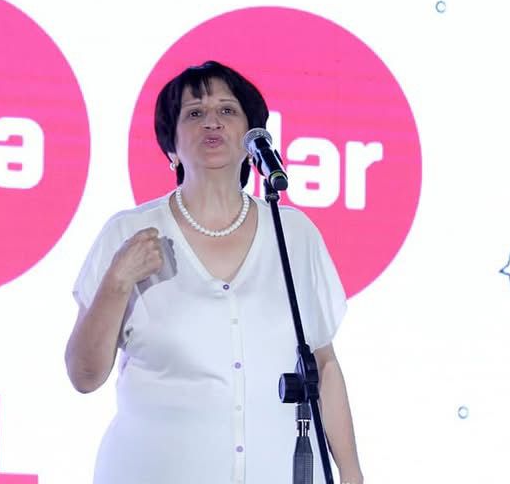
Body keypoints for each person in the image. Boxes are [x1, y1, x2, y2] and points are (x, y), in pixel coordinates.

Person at [65, 60, 363, 484]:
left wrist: (350, 472)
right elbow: (84, 375)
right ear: (171, 146)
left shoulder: (293, 233)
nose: (212, 122)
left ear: (251, 138)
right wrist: (116, 282)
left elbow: (324, 366)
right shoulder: (130, 232)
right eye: (194, 113)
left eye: (227, 110)